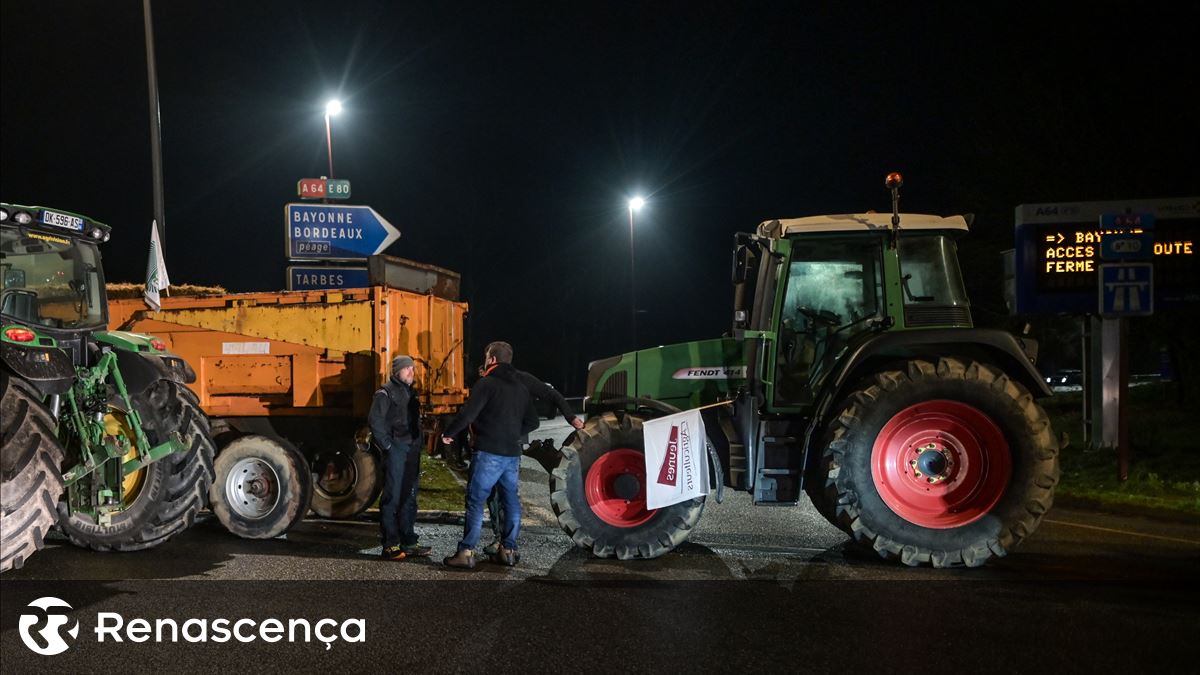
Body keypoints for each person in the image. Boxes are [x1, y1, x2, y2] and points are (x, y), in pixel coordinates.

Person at [441, 341, 538, 569]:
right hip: (512, 455)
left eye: (486, 357)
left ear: (492, 359)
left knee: (476, 500)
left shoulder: (487, 383)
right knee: (511, 500)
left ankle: (466, 552)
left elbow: (468, 414)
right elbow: (533, 421)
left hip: (488, 453)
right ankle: (508, 551)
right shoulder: (520, 387)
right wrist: (514, 434)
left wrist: (449, 433)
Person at [369, 355, 432, 561]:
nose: (412, 373)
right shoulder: (385, 393)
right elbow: (375, 421)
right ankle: (390, 544)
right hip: (396, 449)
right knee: (392, 497)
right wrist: (388, 446)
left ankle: (409, 541)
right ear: (397, 371)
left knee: (409, 497)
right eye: (407, 369)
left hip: (411, 449)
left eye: (413, 369)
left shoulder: (410, 393)